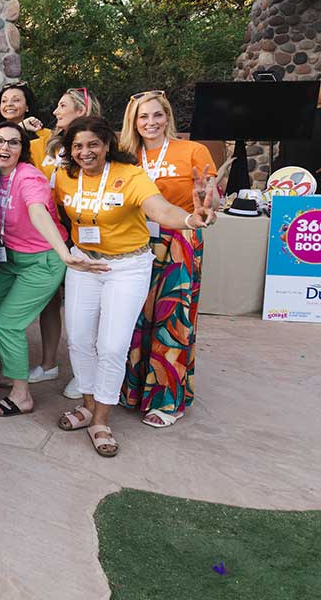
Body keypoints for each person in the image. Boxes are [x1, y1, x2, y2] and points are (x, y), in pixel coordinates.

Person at [53, 116, 218, 457]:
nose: (86, 152)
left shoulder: (130, 176)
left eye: (93, 144)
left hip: (126, 267)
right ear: (70, 150)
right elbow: (47, 208)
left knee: (112, 346)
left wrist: (190, 219)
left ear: (107, 145)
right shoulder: (63, 177)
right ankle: (86, 405)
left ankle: (101, 419)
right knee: (80, 340)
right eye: (78, 146)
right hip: (83, 264)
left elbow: (160, 209)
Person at [0, 121, 109, 417]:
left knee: (7, 323)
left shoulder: (29, 177)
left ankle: (21, 395)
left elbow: (37, 212)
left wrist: (63, 253)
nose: (5, 147)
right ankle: (7, 371)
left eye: (13, 142)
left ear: (23, 150)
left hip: (43, 260)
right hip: (9, 259)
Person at [118, 90, 221, 428]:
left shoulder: (192, 150)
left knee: (170, 320)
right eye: (143, 117)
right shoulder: (124, 155)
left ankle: (166, 400)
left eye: (157, 115)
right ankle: (132, 390)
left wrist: (209, 202)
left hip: (180, 240)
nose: (150, 122)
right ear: (133, 121)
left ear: (168, 117)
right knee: (134, 318)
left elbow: (211, 199)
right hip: (135, 242)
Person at [33, 86, 103, 399]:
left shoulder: (95, 149)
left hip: (84, 232)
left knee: (88, 309)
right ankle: (49, 363)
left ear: (82, 112)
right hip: (48, 231)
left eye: (62, 107)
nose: (56, 112)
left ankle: (86, 373)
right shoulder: (51, 146)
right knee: (50, 301)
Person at [0, 81, 48, 164]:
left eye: (16, 100)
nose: (9, 104)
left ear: (27, 106)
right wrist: (20, 127)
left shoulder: (44, 136)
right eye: (4, 101)